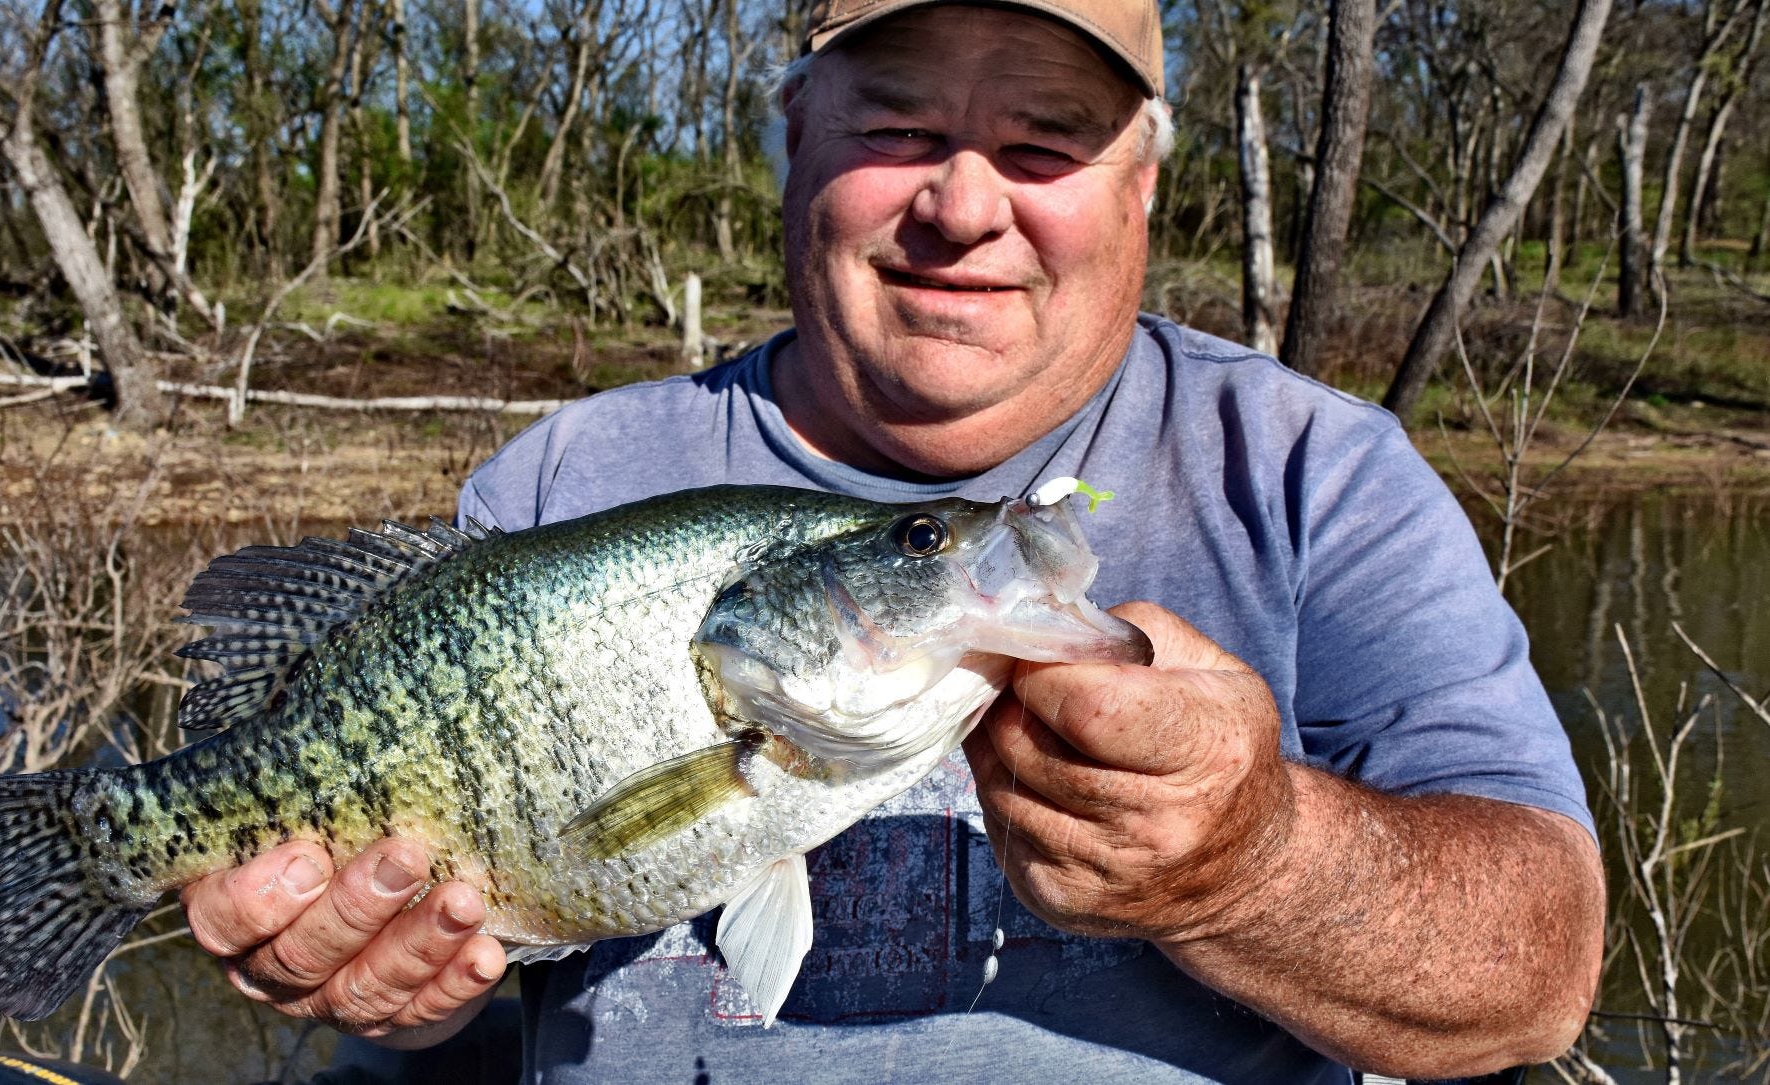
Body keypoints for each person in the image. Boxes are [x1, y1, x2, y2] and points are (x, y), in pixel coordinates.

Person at [179, 1, 1606, 1080]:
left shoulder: (1312, 475)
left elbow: (1542, 969)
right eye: (899, 129)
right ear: (796, 135)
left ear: (1143, 187)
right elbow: (448, 973)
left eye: (1044, 140)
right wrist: (388, 979)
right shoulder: (569, 478)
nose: (964, 205)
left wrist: (1255, 861)